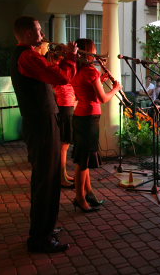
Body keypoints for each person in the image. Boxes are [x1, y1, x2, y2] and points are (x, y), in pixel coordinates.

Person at [10, 16, 76, 253]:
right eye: (38, 30)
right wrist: (70, 58)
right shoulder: (28, 56)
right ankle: (40, 238)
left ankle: (45, 229)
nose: (42, 33)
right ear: (28, 33)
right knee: (46, 181)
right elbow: (61, 78)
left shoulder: (27, 54)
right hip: (42, 124)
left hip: (42, 122)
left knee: (47, 178)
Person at [71, 38, 122, 213]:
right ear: (88, 52)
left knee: (82, 159)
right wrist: (116, 88)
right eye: (94, 50)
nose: (96, 53)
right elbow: (102, 99)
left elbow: (86, 87)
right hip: (89, 118)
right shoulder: (91, 71)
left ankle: (89, 193)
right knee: (82, 163)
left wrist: (101, 78)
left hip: (80, 117)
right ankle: (79, 198)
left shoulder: (77, 70)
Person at [48, 44, 76, 188]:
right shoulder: (58, 66)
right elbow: (65, 82)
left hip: (67, 104)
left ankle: (63, 174)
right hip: (64, 105)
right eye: (65, 51)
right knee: (64, 145)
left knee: (65, 144)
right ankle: (61, 178)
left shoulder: (60, 66)